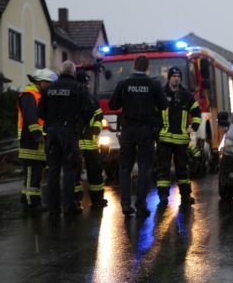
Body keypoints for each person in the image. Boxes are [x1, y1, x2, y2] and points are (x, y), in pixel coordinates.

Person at [109, 55, 167, 217]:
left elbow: (113, 105)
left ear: (133, 66)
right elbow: (163, 105)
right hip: (146, 131)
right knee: (145, 167)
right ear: (147, 67)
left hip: (128, 130)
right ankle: (141, 205)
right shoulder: (154, 85)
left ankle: (125, 204)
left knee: (125, 167)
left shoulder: (124, 84)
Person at [38, 61, 92, 216]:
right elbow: (89, 109)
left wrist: (52, 121)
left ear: (60, 72)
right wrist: (79, 124)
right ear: (73, 73)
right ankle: (69, 205)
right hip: (69, 133)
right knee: (69, 169)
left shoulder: (49, 89)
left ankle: (53, 207)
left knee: (53, 170)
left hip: (52, 132)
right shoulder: (79, 88)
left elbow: (40, 112)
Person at [155, 66, 201, 208]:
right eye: (174, 76)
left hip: (181, 140)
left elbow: (197, 112)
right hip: (164, 139)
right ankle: (163, 197)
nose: (176, 79)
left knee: (182, 169)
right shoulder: (161, 94)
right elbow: (154, 113)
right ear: (169, 77)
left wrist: (193, 127)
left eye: (178, 76)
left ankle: (186, 196)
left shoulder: (186, 96)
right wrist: (156, 131)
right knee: (163, 169)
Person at [17, 68, 57, 213]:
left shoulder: (39, 95)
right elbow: (30, 117)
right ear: (41, 82)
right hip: (30, 140)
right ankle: (32, 202)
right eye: (49, 83)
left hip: (37, 140)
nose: (51, 87)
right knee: (32, 172)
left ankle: (26, 198)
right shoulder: (29, 95)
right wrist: (37, 135)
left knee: (35, 172)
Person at [74, 68, 107, 209]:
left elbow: (99, 116)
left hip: (87, 141)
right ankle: (88, 199)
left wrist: (96, 128)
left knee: (92, 172)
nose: (88, 86)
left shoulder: (91, 99)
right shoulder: (77, 97)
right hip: (81, 141)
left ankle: (93, 199)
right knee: (83, 172)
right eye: (86, 83)